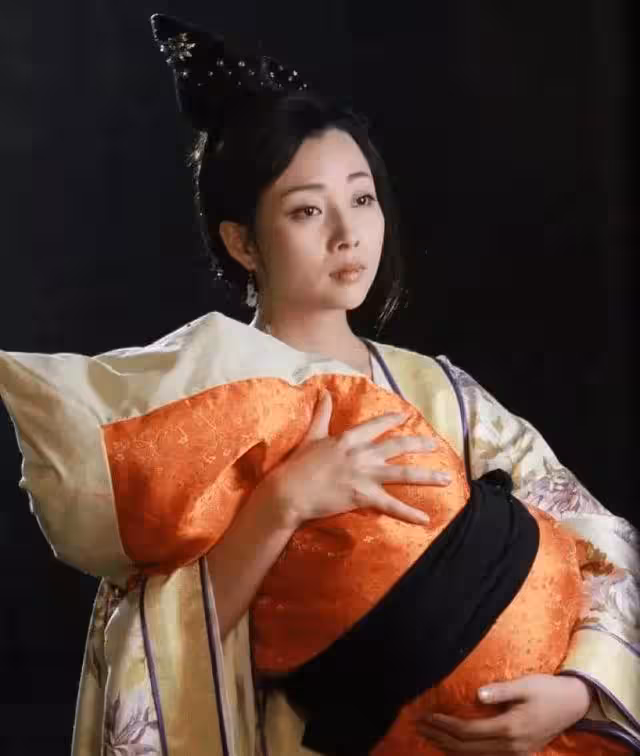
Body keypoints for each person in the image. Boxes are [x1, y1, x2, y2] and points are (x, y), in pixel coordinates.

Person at [69, 13, 639, 756]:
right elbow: (143, 642)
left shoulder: (439, 393)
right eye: (307, 210)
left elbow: (599, 543)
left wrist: (575, 693)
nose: (348, 234)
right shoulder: (193, 401)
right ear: (241, 241)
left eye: (362, 199)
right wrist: (283, 502)